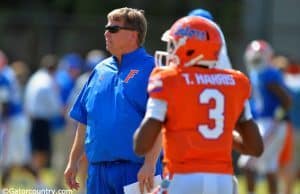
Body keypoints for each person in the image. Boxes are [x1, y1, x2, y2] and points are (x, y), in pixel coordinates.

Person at [133, 16, 263, 194]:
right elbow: (254, 147)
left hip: (182, 178)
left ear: (189, 48)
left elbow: (141, 145)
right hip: (222, 181)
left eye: (173, 44)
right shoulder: (235, 82)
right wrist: (222, 135)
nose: (170, 51)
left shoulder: (169, 80)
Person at [64, 7, 162, 194]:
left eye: (114, 29)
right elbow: (84, 119)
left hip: (136, 170)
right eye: (107, 28)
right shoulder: (100, 70)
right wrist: (73, 160)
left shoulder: (153, 68)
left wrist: (150, 164)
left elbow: (160, 122)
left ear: (133, 35)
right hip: (98, 171)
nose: (106, 33)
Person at [238, 40, 292, 194]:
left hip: (271, 123)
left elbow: (287, 100)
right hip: (265, 122)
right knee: (269, 167)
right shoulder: (257, 73)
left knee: (246, 163)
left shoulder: (268, 74)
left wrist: (277, 117)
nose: (256, 60)